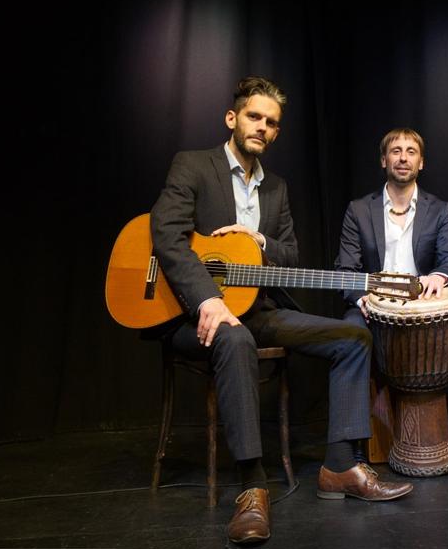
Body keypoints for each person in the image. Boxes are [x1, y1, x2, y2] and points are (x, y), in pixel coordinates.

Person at [150, 76, 412, 546]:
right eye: (255, 116)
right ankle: (252, 486)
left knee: (354, 337)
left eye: (271, 123)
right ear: (232, 118)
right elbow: (167, 235)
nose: (263, 127)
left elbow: (289, 254)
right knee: (235, 338)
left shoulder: (276, 188)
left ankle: (340, 467)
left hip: (260, 310)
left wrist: (259, 241)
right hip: (192, 314)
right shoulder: (193, 165)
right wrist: (207, 298)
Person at [334, 128, 448, 475]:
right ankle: (355, 448)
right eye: (396, 150)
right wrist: (362, 299)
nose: (403, 157)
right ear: (384, 160)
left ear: (421, 162)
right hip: (374, 311)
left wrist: (439, 276)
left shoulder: (439, 209)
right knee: (349, 335)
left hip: (424, 310)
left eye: (411, 151)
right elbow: (345, 270)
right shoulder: (359, 210)